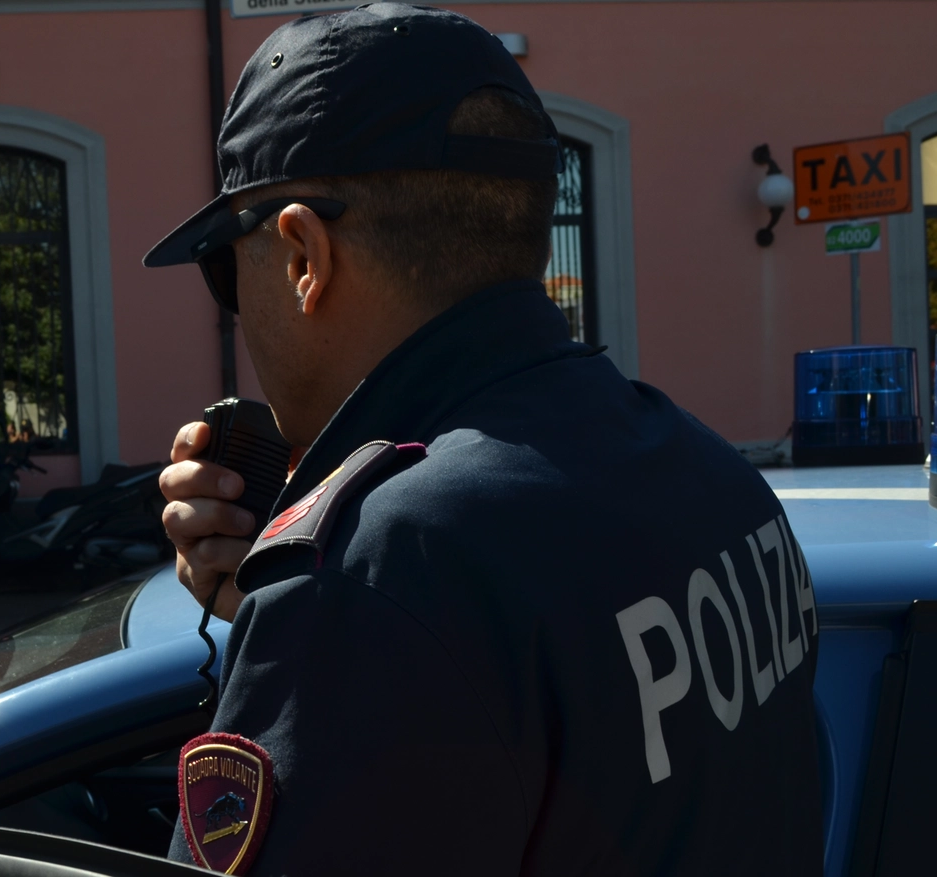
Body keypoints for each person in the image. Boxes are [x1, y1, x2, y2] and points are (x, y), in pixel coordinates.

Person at [146, 5, 821, 875]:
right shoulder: (709, 469)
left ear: (303, 255)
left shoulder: (383, 574)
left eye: (222, 263)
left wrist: (318, 619)